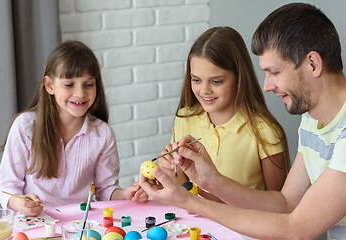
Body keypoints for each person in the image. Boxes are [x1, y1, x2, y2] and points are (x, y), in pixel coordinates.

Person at [139, 3, 346, 239]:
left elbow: (296, 229)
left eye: (274, 72)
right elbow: (285, 203)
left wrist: (190, 202)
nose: (267, 86)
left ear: (313, 64)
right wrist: (212, 180)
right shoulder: (312, 120)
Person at [0, 40, 147, 217]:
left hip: (79, 223)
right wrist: (21, 202)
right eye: (69, 85)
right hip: (34, 222)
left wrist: (124, 194)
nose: (81, 93)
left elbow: (104, 189)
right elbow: (7, 186)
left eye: (88, 84)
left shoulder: (103, 134)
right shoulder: (25, 126)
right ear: (49, 86)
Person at [158, 26, 290, 196]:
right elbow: (181, 185)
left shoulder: (265, 131)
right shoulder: (185, 118)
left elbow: (278, 206)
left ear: (239, 78)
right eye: (196, 80)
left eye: (217, 82)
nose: (204, 90)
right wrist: (168, 172)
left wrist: (189, 190)